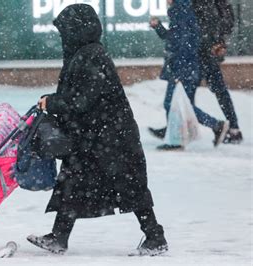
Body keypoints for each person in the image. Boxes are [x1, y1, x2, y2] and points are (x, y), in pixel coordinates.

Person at [28, 4, 168, 256]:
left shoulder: (91, 55)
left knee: (129, 187)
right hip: (95, 136)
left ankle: (155, 237)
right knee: (73, 181)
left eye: (65, 31)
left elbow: (82, 100)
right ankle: (59, 238)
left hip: (111, 138)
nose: (63, 37)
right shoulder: (83, 53)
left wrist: (53, 102)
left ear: (76, 31)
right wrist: (54, 100)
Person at [149, 0, 242, 144]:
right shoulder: (186, 7)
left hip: (201, 52)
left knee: (205, 93)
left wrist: (217, 41)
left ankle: (227, 127)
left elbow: (220, 18)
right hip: (197, 51)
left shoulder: (188, 7)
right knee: (185, 96)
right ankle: (176, 129)